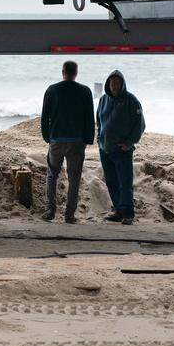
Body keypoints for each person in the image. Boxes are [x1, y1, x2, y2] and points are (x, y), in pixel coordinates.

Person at [39, 60, 95, 224]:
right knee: (74, 178)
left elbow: (45, 117)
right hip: (76, 141)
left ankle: (50, 211)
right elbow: (89, 118)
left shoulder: (52, 90)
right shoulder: (85, 91)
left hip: (56, 140)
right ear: (76, 73)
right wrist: (87, 139)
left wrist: (47, 137)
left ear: (63, 72)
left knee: (52, 175)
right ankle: (69, 215)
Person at [96, 69, 144, 225]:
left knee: (125, 183)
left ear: (122, 84)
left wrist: (129, 143)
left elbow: (140, 125)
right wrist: (99, 139)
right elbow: (99, 121)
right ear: (108, 84)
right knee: (111, 182)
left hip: (122, 150)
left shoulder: (131, 100)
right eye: (112, 83)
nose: (114, 86)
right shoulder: (103, 100)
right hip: (105, 149)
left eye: (117, 83)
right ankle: (118, 210)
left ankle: (128, 214)